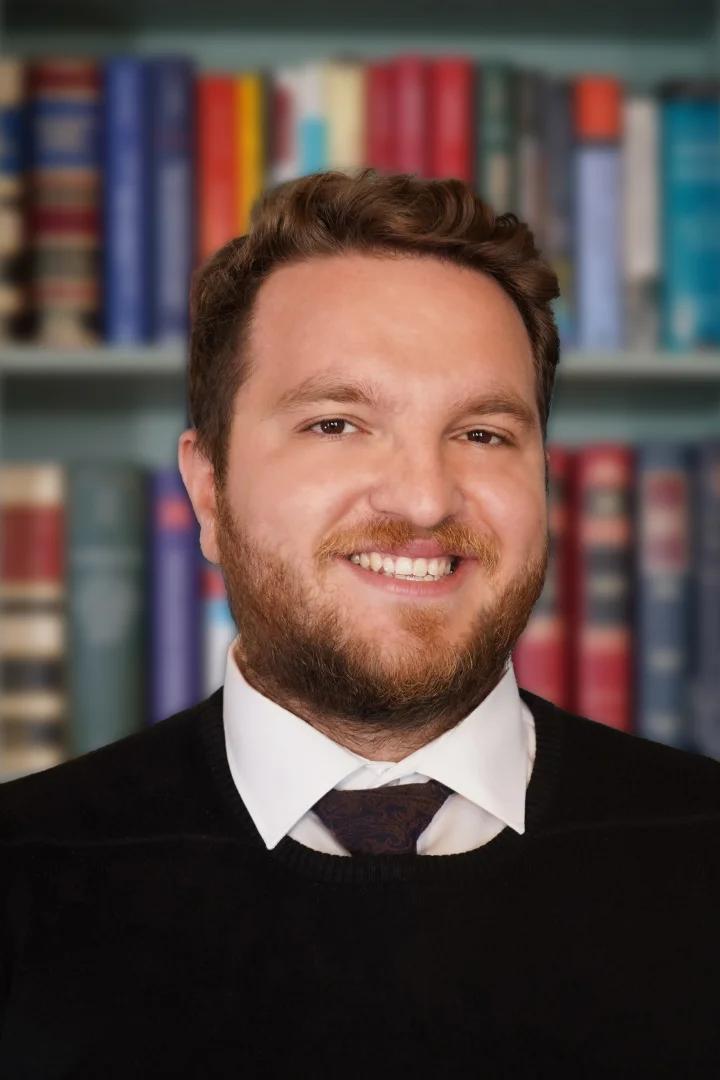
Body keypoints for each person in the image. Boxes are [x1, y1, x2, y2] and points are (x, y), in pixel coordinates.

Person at [1, 168, 718, 1077]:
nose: (424, 499)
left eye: (485, 434)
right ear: (209, 489)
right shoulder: (24, 872)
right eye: (338, 424)